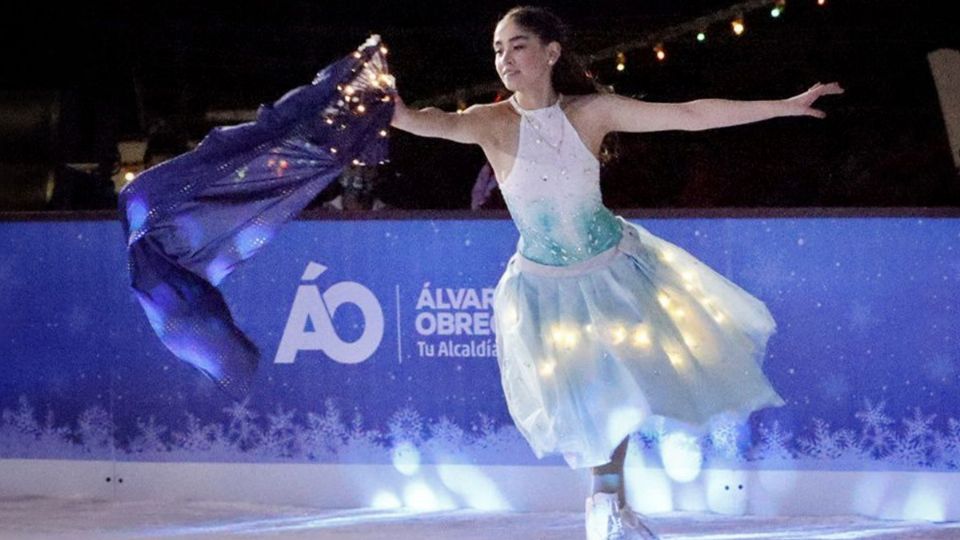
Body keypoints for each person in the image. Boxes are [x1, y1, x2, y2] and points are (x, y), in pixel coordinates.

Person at [389, 6, 843, 540]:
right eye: (497, 49)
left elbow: (690, 114)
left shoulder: (591, 112)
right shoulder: (491, 122)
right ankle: (606, 504)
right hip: (545, 289)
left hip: (612, 270)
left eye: (517, 45)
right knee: (591, 395)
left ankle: (609, 503)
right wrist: (386, 107)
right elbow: (423, 121)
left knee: (616, 391)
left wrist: (784, 106)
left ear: (551, 52)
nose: (504, 59)